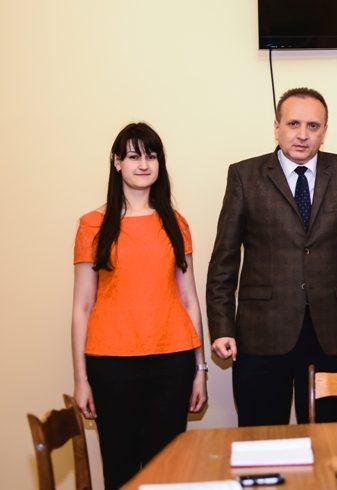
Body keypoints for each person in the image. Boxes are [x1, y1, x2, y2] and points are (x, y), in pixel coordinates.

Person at [206, 87, 337, 426]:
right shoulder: (244, 175)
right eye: (293, 124)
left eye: (313, 126)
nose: (303, 134)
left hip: (330, 336)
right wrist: (221, 327)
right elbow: (223, 263)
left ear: (324, 131)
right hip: (260, 334)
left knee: (326, 441)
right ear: (277, 127)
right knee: (261, 441)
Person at [71, 122, 208, 489]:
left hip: (173, 362)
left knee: (168, 472)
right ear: (117, 162)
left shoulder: (176, 223)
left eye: (152, 156)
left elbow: (189, 299)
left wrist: (200, 369)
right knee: (121, 470)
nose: (144, 164)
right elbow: (82, 306)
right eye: (133, 156)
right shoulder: (92, 225)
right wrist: (81, 380)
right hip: (111, 365)